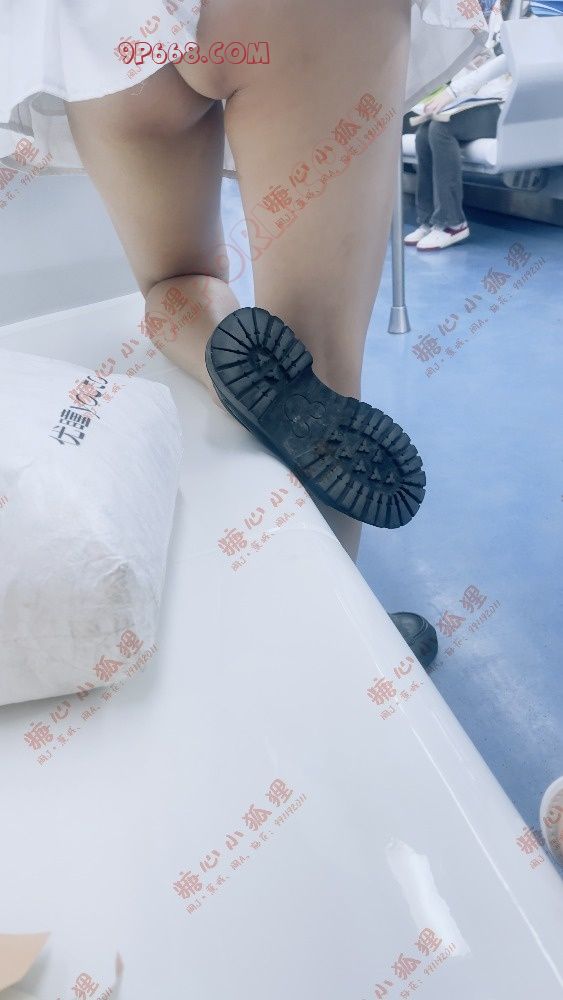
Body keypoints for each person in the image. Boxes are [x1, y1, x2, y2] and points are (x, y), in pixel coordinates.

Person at [0, 0, 491, 667]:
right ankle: (335, 647)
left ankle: (220, 354)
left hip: (111, 30)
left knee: (175, 282)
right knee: (319, 353)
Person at [406, 0, 512, 250]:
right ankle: (428, 220)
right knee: (424, 133)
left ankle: (452, 222)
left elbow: (508, 59)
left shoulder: (525, 8)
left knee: (441, 129)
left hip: (504, 102)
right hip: (477, 97)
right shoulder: (488, 8)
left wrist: (453, 92)